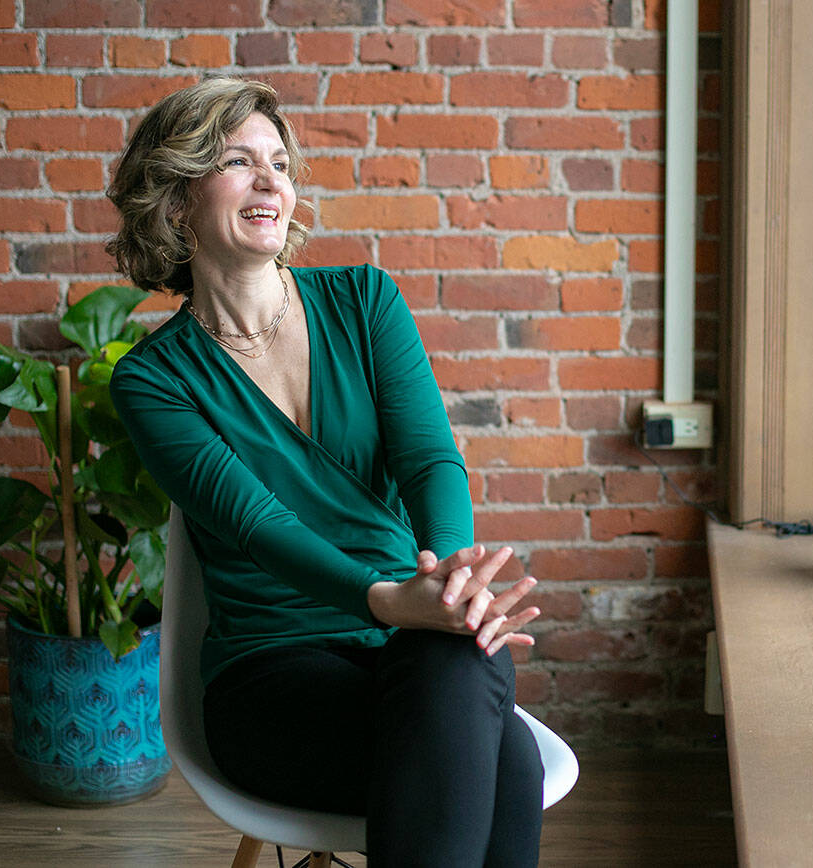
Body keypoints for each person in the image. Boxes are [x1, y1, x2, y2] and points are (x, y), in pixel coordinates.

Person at [105, 77, 546, 866]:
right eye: (238, 161)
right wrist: (385, 599)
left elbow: (430, 460)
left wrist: (450, 580)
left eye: (279, 163)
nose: (271, 181)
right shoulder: (153, 380)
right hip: (272, 672)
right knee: (504, 763)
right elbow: (256, 524)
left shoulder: (365, 301)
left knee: (457, 668)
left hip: (416, 637)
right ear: (175, 201)